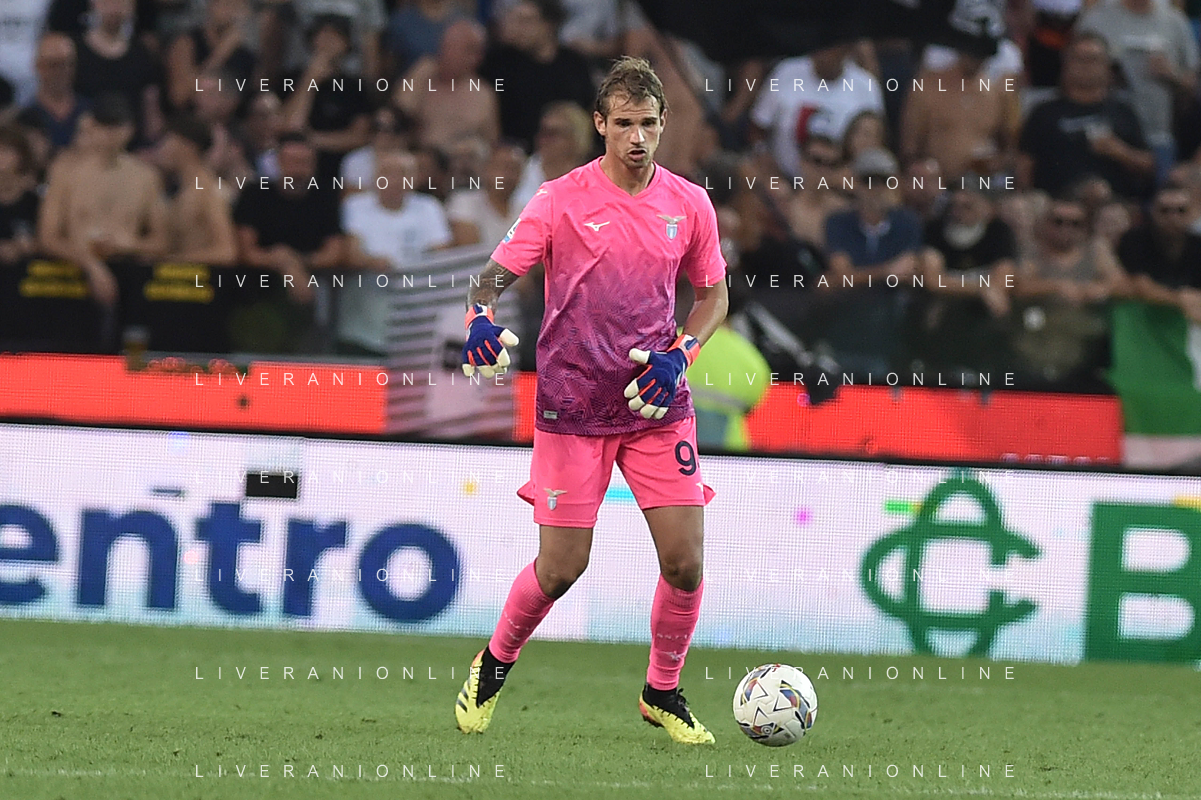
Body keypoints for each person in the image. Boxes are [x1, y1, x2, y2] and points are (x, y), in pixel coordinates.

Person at [453, 56, 729, 744]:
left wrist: (680, 355)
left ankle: (661, 691)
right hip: (573, 406)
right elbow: (489, 280)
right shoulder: (558, 200)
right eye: (624, 123)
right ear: (600, 125)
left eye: (649, 124)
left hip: (654, 403)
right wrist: (479, 320)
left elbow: (713, 296)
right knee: (561, 568)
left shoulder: (689, 204)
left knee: (686, 561)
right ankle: (493, 664)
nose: (637, 137)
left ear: (663, 125)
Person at [37, 93, 167, 307]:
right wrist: (90, 265)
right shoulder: (65, 172)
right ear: (92, 126)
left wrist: (127, 245)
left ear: (130, 129)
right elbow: (48, 237)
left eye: (117, 126)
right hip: (73, 275)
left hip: (127, 273)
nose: (110, 134)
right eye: (105, 126)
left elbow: (161, 240)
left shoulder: (146, 177)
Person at [338, 149, 451, 356]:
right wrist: (372, 262)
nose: (395, 180)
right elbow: (351, 254)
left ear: (415, 179)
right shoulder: (355, 206)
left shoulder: (429, 207)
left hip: (415, 311)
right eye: (388, 172)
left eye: (403, 173)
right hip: (366, 309)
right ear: (375, 176)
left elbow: (442, 255)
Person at [1018, 32, 1155, 200]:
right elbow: (1024, 165)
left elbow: (1149, 166)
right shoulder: (1043, 113)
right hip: (1056, 202)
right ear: (1065, 64)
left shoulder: (1123, 111)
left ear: (1107, 66)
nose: (1086, 66)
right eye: (1079, 59)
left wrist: (1119, 151)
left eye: (1093, 59)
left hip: (1113, 203)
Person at [822, 148, 922, 376]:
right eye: (868, 181)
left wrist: (861, 276)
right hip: (844, 332)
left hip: (890, 338)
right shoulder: (838, 223)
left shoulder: (908, 223)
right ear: (856, 184)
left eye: (884, 182)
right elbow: (843, 277)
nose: (876, 189)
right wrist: (887, 271)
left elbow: (908, 271)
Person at [1076, 0, 1199, 183]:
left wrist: (1172, 74)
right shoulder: (1097, 18)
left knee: (1164, 197)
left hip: (1159, 135)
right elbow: (1074, 64)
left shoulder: (1174, 20)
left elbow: (1193, 83)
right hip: (1109, 137)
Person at [748, 44, 884, 179]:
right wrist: (768, 167)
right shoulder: (786, 72)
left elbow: (876, 140)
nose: (825, 53)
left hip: (846, 184)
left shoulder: (866, 86)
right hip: (783, 179)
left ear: (847, 49)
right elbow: (757, 128)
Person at [478, 0, 596, 151]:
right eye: (515, 20)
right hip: (514, 151)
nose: (518, 28)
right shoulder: (499, 63)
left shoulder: (574, 64)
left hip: (566, 151)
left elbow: (587, 107)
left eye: (526, 21)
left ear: (549, 25)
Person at [395, 18, 499, 152]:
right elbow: (396, 118)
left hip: (461, 162)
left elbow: (492, 145)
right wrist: (418, 78)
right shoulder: (421, 78)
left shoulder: (484, 94)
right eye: (469, 49)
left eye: (478, 51)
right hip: (418, 157)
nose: (476, 59)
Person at [156, 114, 237, 265]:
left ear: (189, 146)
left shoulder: (209, 192)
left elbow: (226, 251)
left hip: (202, 276)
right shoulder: (183, 190)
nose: (161, 149)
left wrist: (175, 261)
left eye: (167, 141)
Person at [1119, 185, 1201, 321]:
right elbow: (1139, 284)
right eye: (1165, 211)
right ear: (1153, 212)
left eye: (1181, 211)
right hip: (1142, 318)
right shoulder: (1134, 239)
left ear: (1192, 213)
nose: (1173, 217)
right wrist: (1180, 300)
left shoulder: (1197, 244)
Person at [511, 100, 595, 209]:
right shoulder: (520, 172)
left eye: (553, 134)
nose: (544, 139)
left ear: (575, 139)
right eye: (543, 132)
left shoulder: (591, 180)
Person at [16, 34, 90, 156]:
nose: (63, 71)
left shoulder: (89, 113)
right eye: (54, 64)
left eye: (69, 63)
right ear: (38, 66)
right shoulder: (23, 118)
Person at [445, 142, 525, 246]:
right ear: (486, 169)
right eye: (502, 167)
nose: (508, 175)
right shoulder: (463, 202)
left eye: (514, 169)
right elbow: (470, 248)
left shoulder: (525, 210)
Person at [0, 127, 41, 267]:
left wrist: (23, 247)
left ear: (21, 156)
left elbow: (49, 238)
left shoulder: (35, 201)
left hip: (30, 274)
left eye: (5, 151)